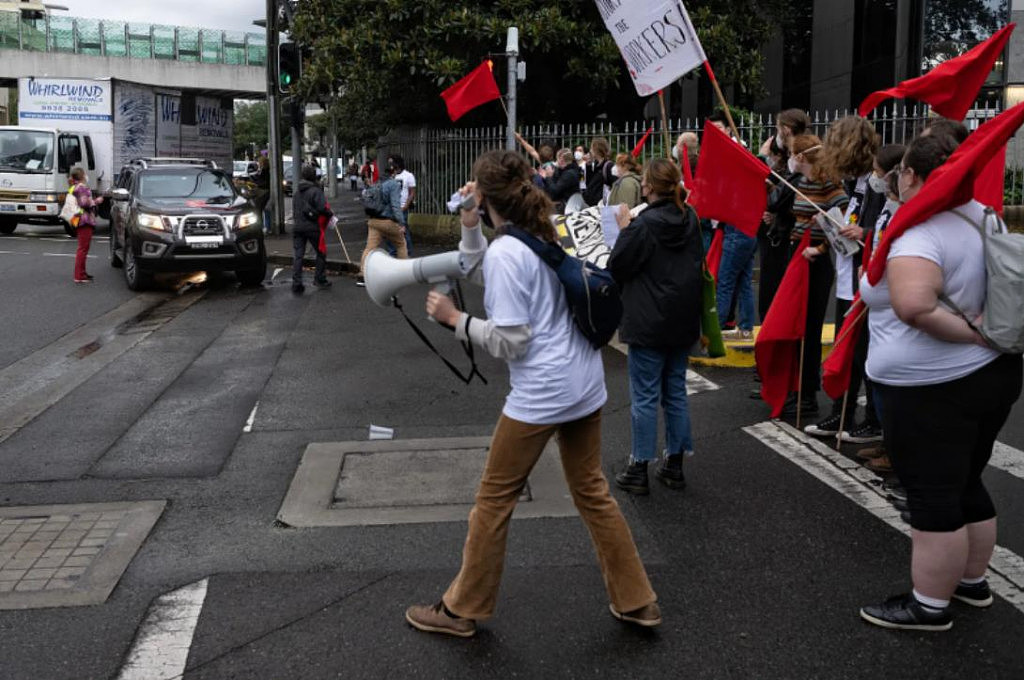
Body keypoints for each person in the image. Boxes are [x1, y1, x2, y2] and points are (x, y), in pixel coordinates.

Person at [405, 149, 660, 637]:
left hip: (541, 394)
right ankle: (636, 600)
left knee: (493, 500)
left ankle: (461, 610)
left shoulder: (508, 253)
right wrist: (469, 220)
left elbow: (511, 340)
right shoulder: (542, 232)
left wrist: (455, 320)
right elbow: (479, 260)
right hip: (585, 383)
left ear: (487, 194)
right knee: (593, 494)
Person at [858, 133, 1023, 631]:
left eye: (900, 171)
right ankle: (971, 582)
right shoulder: (984, 215)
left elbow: (913, 305)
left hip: (933, 388)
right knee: (966, 479)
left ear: (911, 175)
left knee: (932, 494)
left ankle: (929, 604)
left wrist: (976, 337)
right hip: (990, 380)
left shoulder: (921, 231)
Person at [607, 158, 703, 495]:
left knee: (645, 396)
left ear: (647, 186)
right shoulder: (689, 217)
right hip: (683, 317)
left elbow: (618, 264)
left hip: (648, 318)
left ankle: (639, 466)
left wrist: (622, 229)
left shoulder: (643, 224)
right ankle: (674, 462)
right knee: (675, 391)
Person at [804, 115, 880, 440]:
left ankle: (871, 420)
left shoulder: (877, 183)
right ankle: (842, 414)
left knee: (865, 355)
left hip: (866, 284)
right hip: (848, 278)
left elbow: (892, 225)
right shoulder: (855, 183)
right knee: (845, 352)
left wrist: (864, 230)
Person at [780, 134, 849, 418]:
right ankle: (796, 389)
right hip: (797, 256)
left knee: (809, 328)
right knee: (794, 325)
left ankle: (807, 394)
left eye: (793, 154)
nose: (790, 158)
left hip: (814, 262)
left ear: (801, 156)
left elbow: (842, 221)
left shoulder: (828, 182)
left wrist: (820, 248)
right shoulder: (801, 182)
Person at [355, 163, 408, 287]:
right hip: (388, 221)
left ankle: (362, 275)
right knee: (401, 244)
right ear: (393, 173)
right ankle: (404, 274)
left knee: (370, 248)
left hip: (374, 221)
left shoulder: (376, 184)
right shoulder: (393, 184)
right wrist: (401, 222)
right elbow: (395, 206)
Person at [291, 164, 333, 293]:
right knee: (320, 253)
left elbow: (295, 211)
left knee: (298, 255)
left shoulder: (297, 193)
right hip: (312, 226)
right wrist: (330, 214)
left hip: (298, 227)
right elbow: (322, 208)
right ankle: (319, 279)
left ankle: (297, 283)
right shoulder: (315, 191)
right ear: (313, 176)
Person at [69, 167, 102, 284]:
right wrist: (96, 201)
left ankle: (82, 273)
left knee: (83, 248)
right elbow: (84, 203)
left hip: (79, 219)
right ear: (82, 175)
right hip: (84, 220)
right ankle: (79, 275)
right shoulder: (81, 188)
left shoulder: (75, 187)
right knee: (83, 249)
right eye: (84, 173)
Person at [541, 148, 582, 213]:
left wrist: (548, 177)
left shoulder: (569, 174)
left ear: (562, 160)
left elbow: (555, 190)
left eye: (557, 159)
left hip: (566, 206)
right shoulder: (563, 170)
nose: (556, 161)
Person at [390, 155, 416, 254]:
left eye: (393, 163)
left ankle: (408, 252)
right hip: (392, 207)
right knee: (391, 231)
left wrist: (406, 205)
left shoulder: (408, 176)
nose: (391, 165)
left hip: (402, 207)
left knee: (403, 230)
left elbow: (412, 192)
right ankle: (393, 252)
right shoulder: (392, 176)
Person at [582, 137, 613, 207]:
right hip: (593, 205)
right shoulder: (597, 165)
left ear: (597, 150)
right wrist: (588, 165)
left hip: (601, 206)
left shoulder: (608, 166)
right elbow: (589, 184)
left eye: (591, 148)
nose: (590, 151)